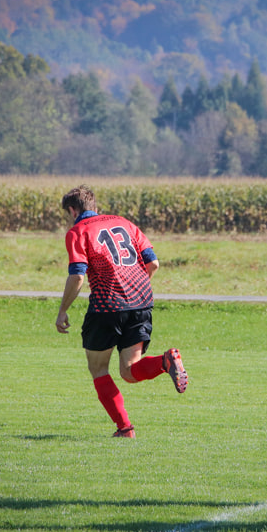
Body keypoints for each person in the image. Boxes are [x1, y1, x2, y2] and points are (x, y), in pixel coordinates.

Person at [55, 185, 187, 438]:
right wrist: (134, 285)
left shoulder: (78, 231)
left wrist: (62, 310)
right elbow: (153, 262)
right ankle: (165, 361)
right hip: (142, 301)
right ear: (94, 205)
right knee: (129, 371)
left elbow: (77, 276)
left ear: (72, 210)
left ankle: (125, 429)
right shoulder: (124, 223)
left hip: (107, 306)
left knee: (99, 369)